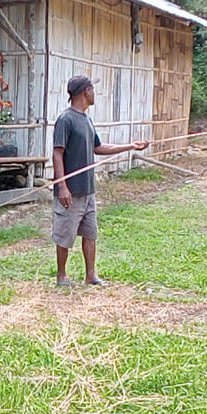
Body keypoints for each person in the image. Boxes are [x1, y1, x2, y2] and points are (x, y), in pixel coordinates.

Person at [52, 75, 148, 286]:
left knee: (90, 232)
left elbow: (99, 148)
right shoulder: (65, 119)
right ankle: (61, 276)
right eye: (92, 89)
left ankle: (91, 275)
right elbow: (57, 154)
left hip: (88, 189)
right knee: (64, 234)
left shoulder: (87, 120)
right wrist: (62, 187)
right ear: (86, 91)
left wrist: (131, 146)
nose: (94, 93)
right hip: (71, 189)